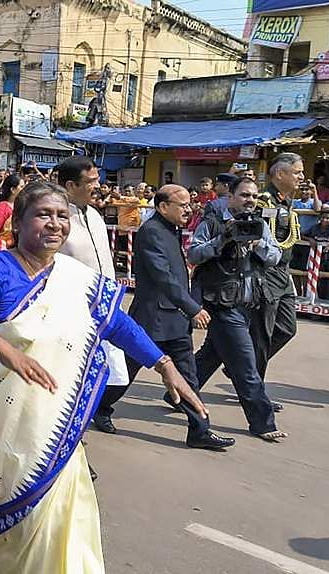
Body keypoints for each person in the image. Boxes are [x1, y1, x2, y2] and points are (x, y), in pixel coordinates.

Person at [0, 181, 208, 572]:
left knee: (62, 516)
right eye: (43, 214)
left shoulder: (75, 278)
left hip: (57, 428)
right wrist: (3, 348)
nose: (55, 224)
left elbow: (118, 325)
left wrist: (164, 366)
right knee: (16, 519)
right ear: (19, 221)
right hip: (5, 425)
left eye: (62, 215)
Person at [100, 185, 235, 449]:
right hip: (152, 320)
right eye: (182, 205)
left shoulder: (170, 230)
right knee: (126, 373)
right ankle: (100, 408)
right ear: (163, 206)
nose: (189, 209)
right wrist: (193, 308)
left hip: (176, 321)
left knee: (188, 374)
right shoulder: (151, 233)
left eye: (190, 204)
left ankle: (199, 430)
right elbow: (164, 278)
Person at [189, 177, 286, 441]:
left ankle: (181, 393)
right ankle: (263, 422)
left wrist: (257, 244)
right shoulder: (212, 222)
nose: (249, 201)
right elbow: (194, 255)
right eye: (244, 195)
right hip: (222, 304)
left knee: (211, 355)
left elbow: (276, 257)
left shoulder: (260, 225)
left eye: (253, 196)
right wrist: (222, 240)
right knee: (246, 365)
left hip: (249, 304)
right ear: (230, 196)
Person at [55, 157, 131, 431]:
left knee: (118, 375)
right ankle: (72, 434)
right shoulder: (57, 219)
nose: (98, 186)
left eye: (97, 180)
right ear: (70, 185)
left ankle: (96, 411)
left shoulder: (96, 216)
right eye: (91, 182)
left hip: (107, 307)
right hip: (72, 313)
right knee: (73, 378)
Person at [251, 153, 301, 383]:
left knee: (287, 328)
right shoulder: (264, 201)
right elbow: (257, 237)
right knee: (263, 333)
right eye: (297, 172)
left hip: (283, 272)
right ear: (280, 174)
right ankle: (254, 385)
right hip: (266, 272)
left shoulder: (286, 200)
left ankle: (242, 366)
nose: (302, 176)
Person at [0, 173, 24, 248]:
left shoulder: (22, 207)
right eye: (21, 187)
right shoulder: (2, 207)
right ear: (13, 190)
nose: (24, 190)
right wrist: (2, 245)